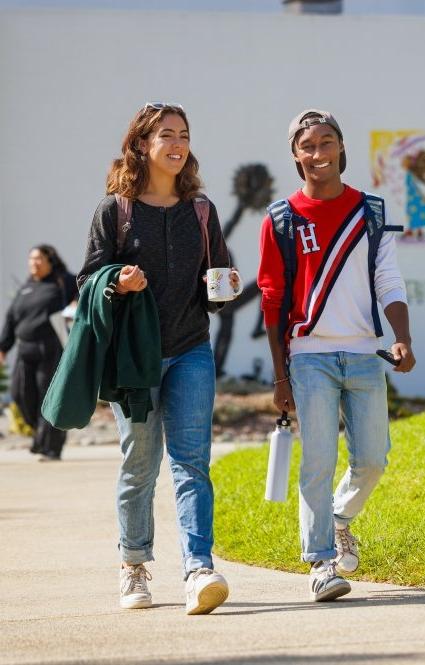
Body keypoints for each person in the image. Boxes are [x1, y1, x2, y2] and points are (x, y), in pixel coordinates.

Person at [78, 102, 240, 615]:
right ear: (142, 144)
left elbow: (219, 276)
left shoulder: (202, 210)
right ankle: (134, 564)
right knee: (140, 464)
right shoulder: (116, 210)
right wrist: (119, 282)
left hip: (191, 348)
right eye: (166, 134)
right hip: (137, 358)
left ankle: (199, 569)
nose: (177, 143)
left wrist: (226, 286)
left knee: (192, 462)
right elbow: (87, 280)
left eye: (184, 135)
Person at [258, 109, 416, 602]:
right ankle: (321, 563)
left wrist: (402, 335)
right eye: (308, 145)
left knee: (372, 459)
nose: (319, 153)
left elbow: (387, 279)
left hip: (366, 354)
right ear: (295, 154)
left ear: (341, 147)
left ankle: (340, 518)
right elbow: (272, 299)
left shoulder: (369, 211)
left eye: (327, 142)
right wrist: (280, 375)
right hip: (308, 357)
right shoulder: (281, 218)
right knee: (318, 461)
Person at [0, 245, 77, 461]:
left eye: (39, 259)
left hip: (51, 348)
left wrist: (76, 303)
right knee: (20, 395)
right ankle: (41, 436)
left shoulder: (63, 281)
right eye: (31, 259)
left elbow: (85, 290)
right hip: (25, 350)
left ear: (50, 260)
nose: (34, 263)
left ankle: (51, 447)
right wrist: (3, 348)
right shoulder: (26, 288)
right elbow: (11, 318)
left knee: (49, 397)